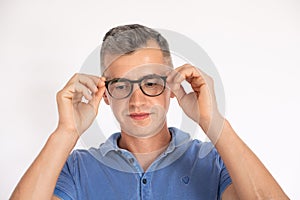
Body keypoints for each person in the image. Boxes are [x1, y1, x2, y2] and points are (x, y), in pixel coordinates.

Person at [10, 24, 289, 200]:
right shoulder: (77, 169)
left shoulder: (212, 163)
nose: (137, 101)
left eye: (151, 83)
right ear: (104, 93)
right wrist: (65, 133)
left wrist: (212, 121)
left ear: (171, 88)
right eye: (121, 85)